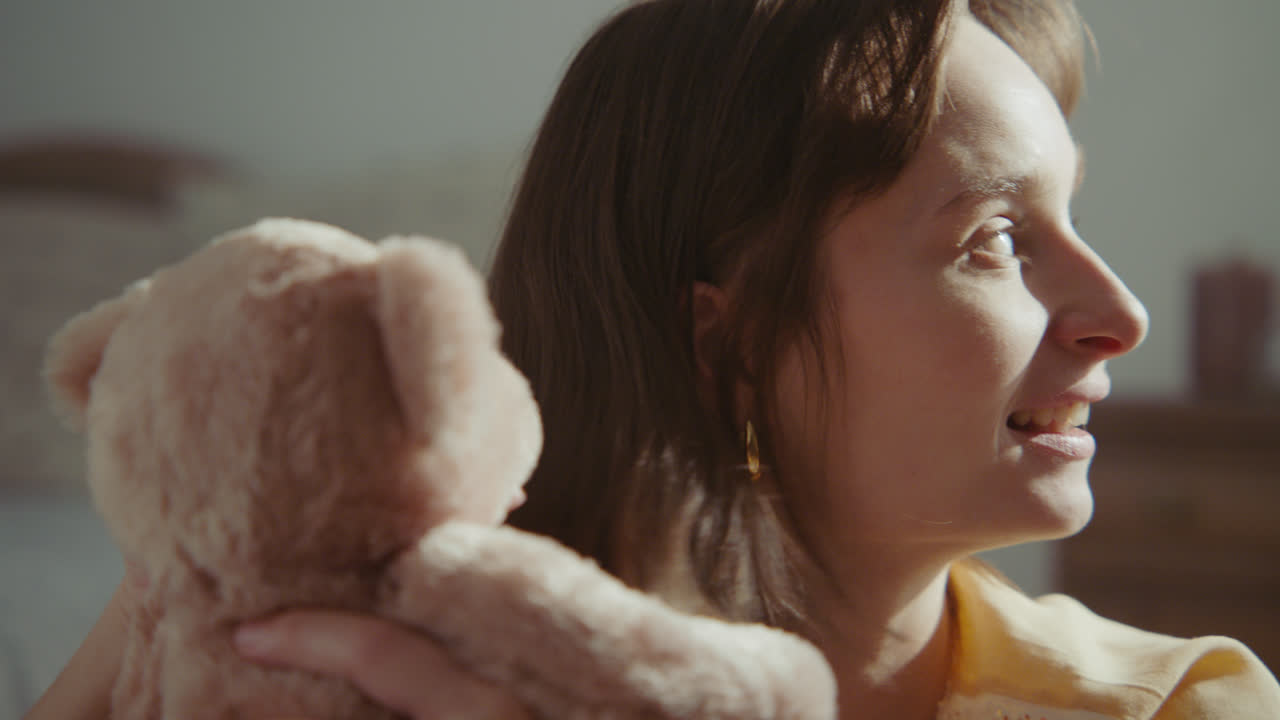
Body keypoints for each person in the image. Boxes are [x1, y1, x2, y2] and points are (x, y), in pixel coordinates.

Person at [27, 1, 1280, 719]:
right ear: (722, 341)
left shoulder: (1181, 707)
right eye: (997, 240)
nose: (1121, 313)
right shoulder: (367, 664)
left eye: (1073, 218)